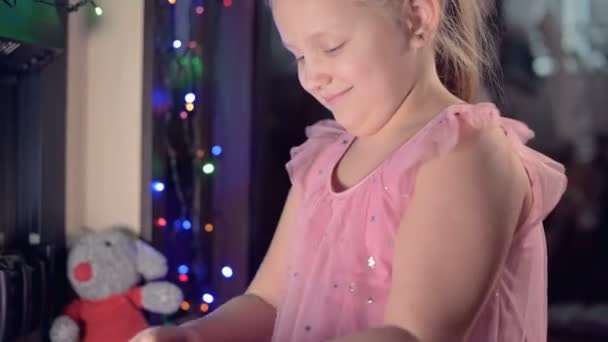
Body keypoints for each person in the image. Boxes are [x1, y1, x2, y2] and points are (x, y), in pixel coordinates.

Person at [131, 0, 567, 341]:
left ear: (416, 18)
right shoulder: (322, 159)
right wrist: (193, 335)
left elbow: (415, 335)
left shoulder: (464, 153)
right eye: (299, 54)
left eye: (331, 47)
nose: (313, 76)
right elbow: (267, 301)